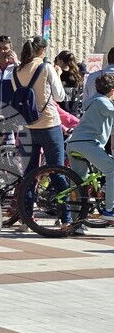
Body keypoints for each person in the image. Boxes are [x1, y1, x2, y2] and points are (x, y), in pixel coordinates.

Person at [11, 36, 70, 228]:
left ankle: (26, 219)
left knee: (29, 175)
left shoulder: (16, 71)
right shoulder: (46, 68)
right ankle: (66, 218)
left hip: (27, 127)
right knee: (57, 171)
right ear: (42, 51)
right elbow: (60, 96)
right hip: (49, 125)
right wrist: (58, 75)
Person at [67, 73, 114, 221]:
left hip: (75, 143)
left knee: (77, 182)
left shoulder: (93, 101)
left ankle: (76, 220)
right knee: (112, 170)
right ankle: (109, 209)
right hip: (88, 143)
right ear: (112, 91)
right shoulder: (103, 102)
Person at [55, 50, 84, 114]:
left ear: (61, 61)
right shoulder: (76, 74)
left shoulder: (58, 75)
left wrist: (58, 76)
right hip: (75, 111)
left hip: (61, 111)